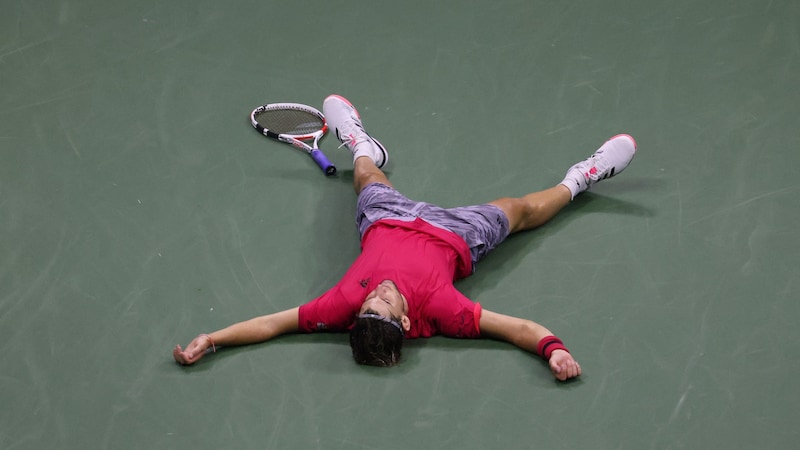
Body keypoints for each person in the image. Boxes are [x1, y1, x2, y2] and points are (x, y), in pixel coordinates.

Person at [173, 94, 637, 381]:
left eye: (368, 303)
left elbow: (272, 324)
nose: (377, 293)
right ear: (410, 323)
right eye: (385, 303)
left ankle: (360, 143)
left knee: (366, 175)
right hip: (456, 234)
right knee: (521, 210)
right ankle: (584, 176)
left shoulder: (340, 308)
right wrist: (554, 352)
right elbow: (519, 330)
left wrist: (212, 338)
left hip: (387, 217)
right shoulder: (444, 313)